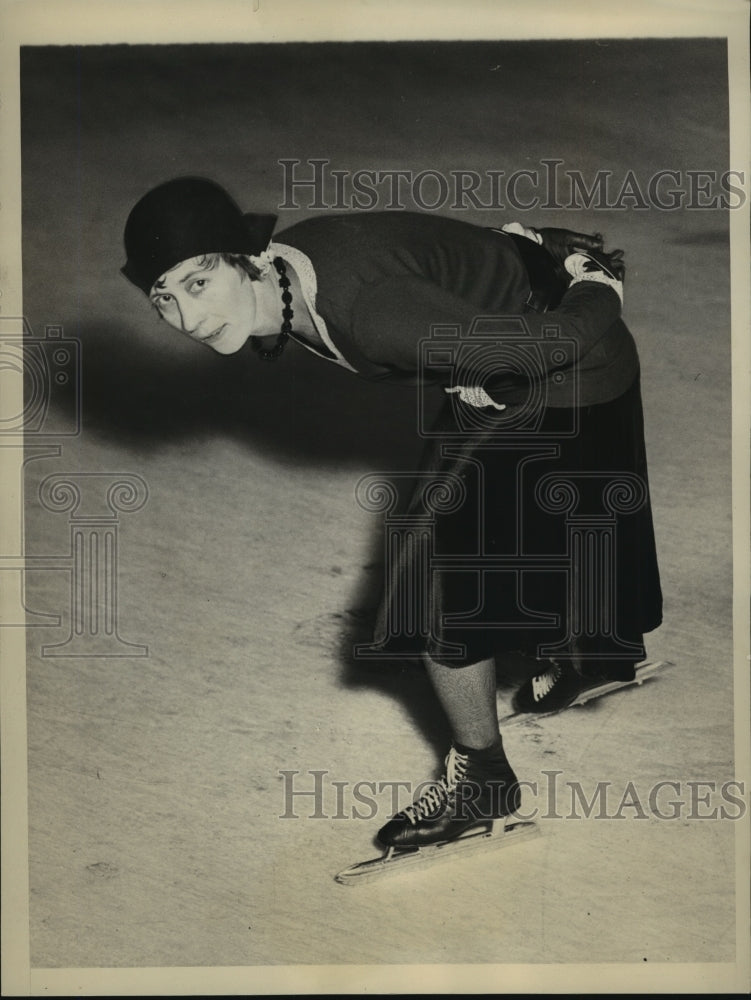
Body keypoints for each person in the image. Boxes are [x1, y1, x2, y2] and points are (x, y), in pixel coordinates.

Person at [121, 177, 662, 850]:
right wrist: (527, 252)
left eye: (199, 284)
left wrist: (596, 288)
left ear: (250, 259)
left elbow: (533, 346)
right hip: (521, 359)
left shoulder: (368, 309)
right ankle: (594, 653)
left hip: (565, 362)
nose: (187, 317)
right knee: (513, 508)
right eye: (163, 298)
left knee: (431, 573)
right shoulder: (294, 265)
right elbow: (429, 246)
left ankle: (482, 778)